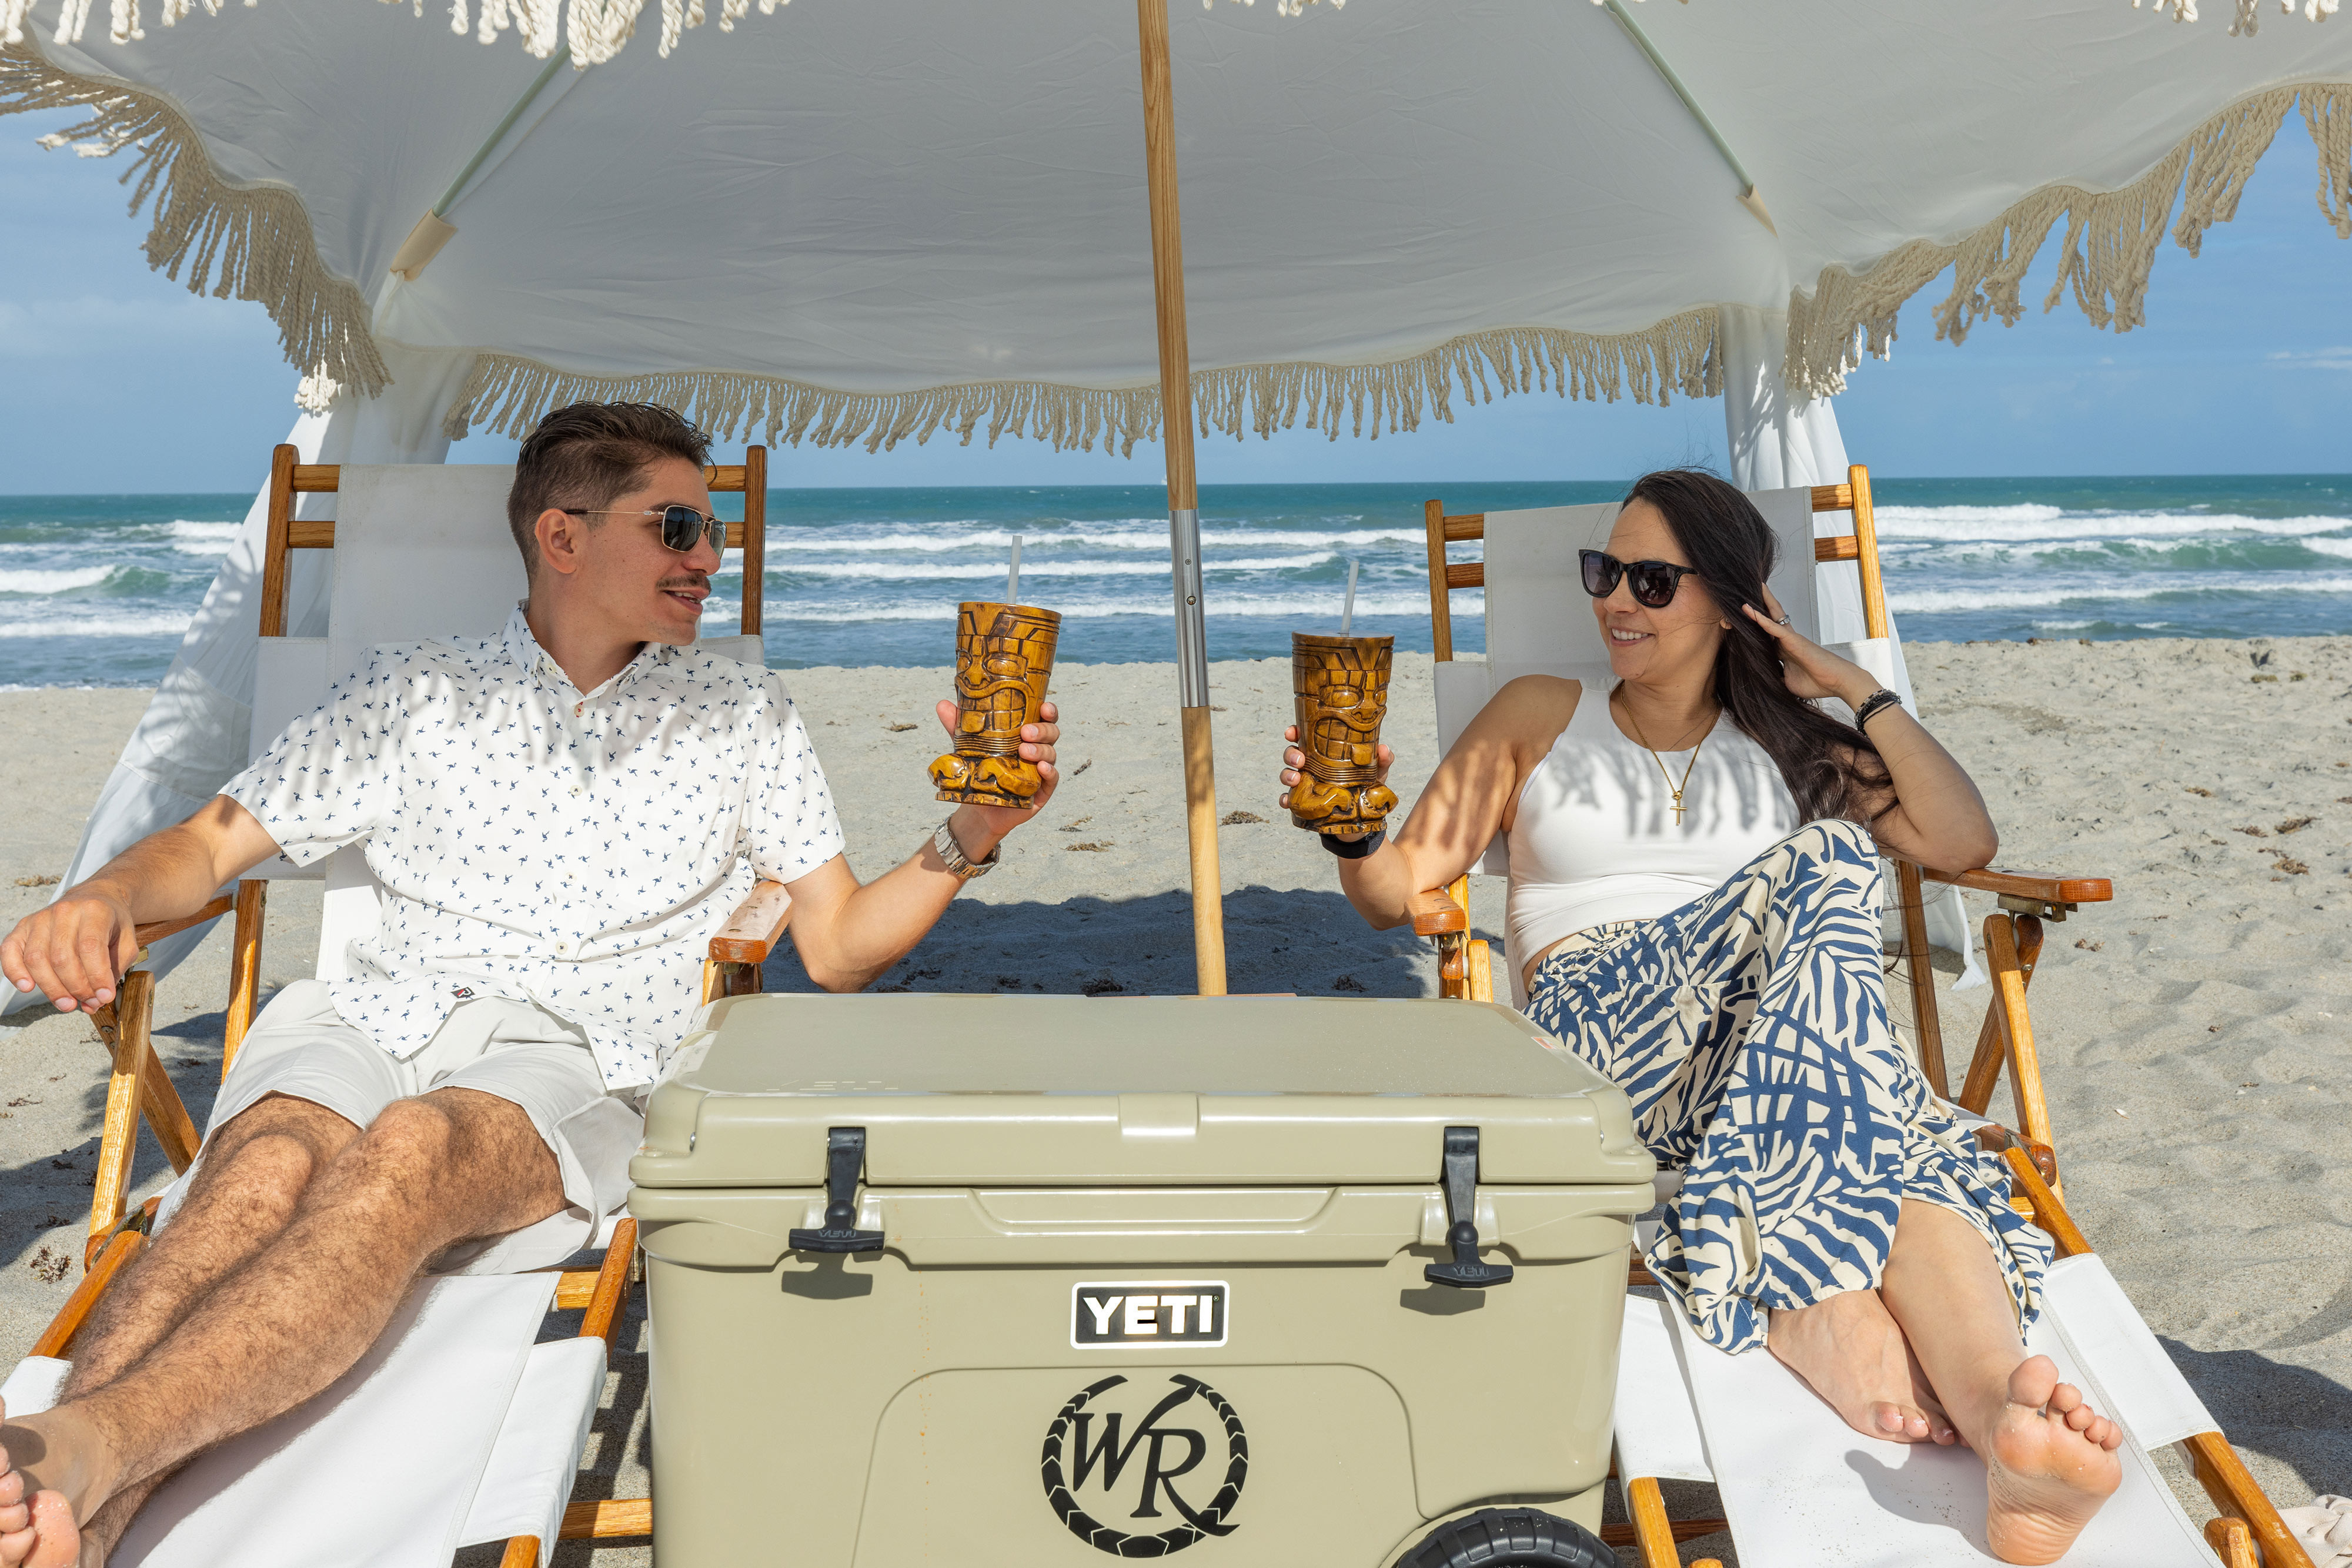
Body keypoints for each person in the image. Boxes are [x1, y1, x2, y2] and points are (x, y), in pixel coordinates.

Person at [0, 402, 1060, 1567]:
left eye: (710, 532)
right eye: (675, 527)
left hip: (579, 1057)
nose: (708, 557)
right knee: (256, 1171)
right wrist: (104, 894)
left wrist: (973, 829)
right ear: (562, 536)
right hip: (372, 1012)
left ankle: (87, 1442)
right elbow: (203, 847)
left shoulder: (742, 714)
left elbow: (843, 949)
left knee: (410, 1147)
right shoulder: (409, 691)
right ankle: (69, 1505)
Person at [1278, 470, 2124, 1566]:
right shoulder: (1542, 710)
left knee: (1915, 1170)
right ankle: (1808, 1293)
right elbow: (1400, 894)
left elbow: (1962, 844)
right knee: (1829, 868)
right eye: (1603, 573)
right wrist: (1351, 830)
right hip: (1603, 1041)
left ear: (1730, 600)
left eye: (1651, 579)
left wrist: (1860, 692)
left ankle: (2003, 1423)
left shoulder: (1796, 743)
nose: (1616, 600)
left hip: (1776, 1067)